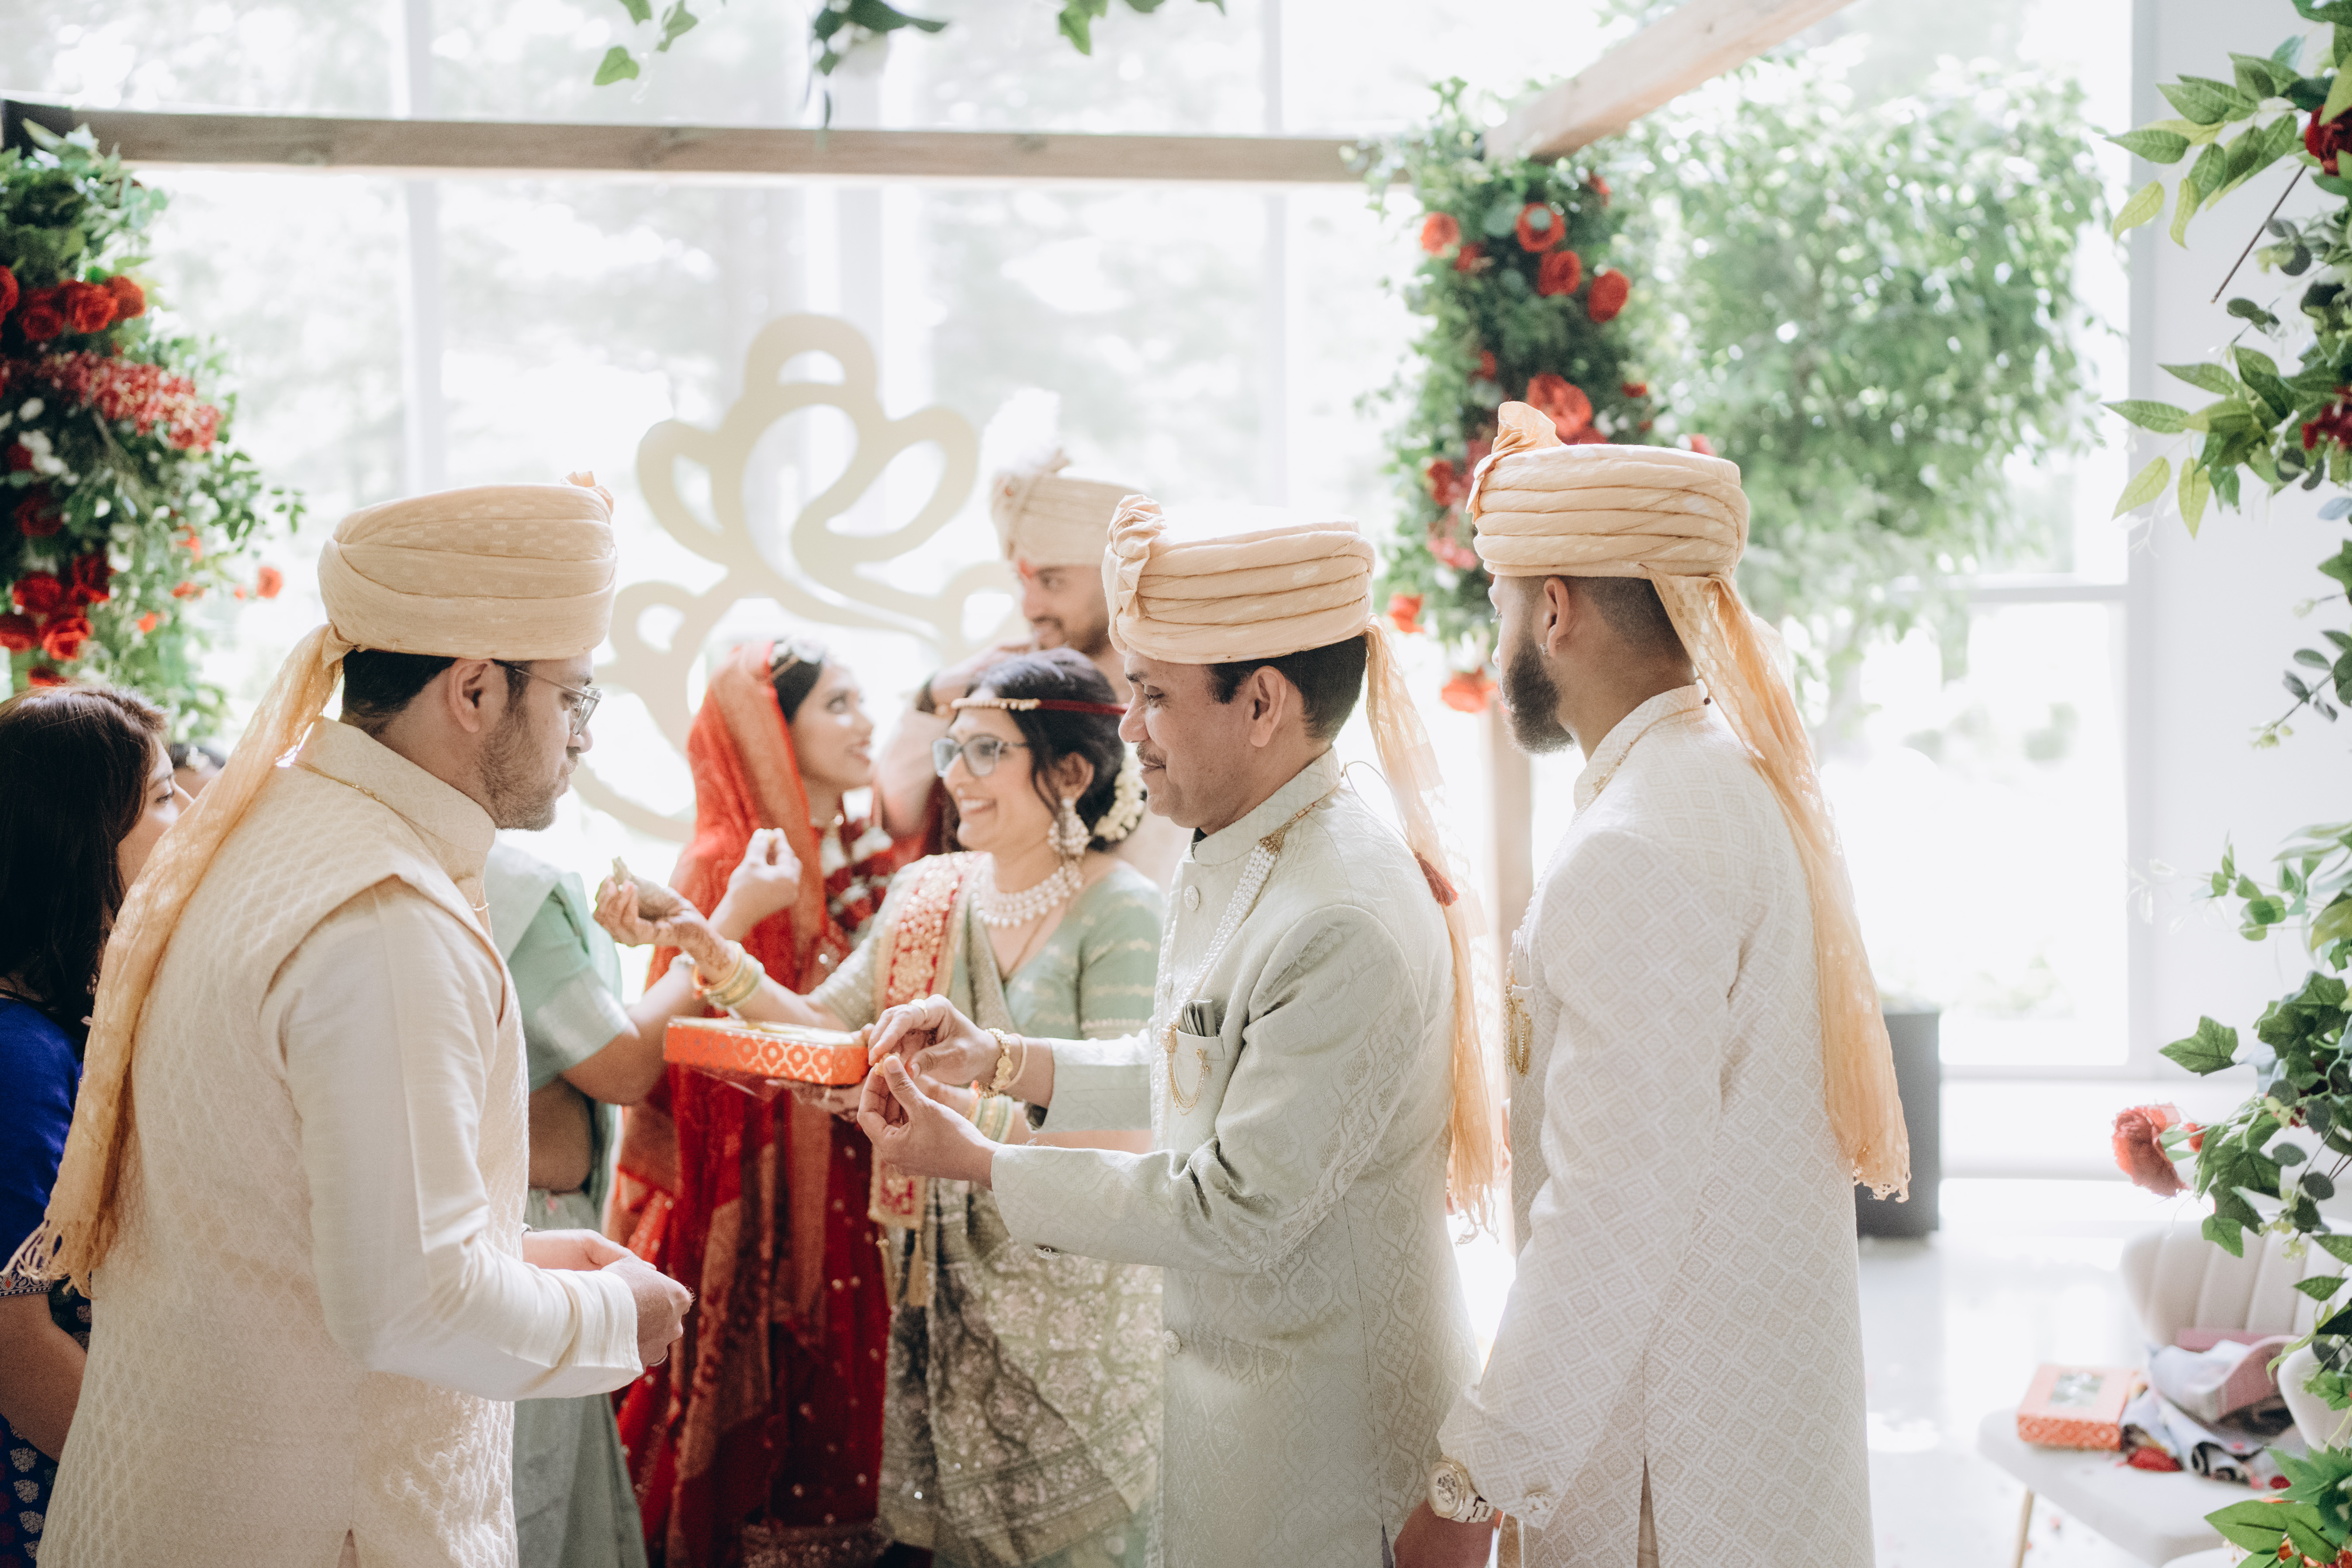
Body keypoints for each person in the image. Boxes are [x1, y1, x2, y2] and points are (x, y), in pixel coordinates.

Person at [14, 478, 693, 1568]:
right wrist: (617, 1320)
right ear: (474, 688)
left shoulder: (280, 833)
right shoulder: (382, 916)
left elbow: (285, 1221)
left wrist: (517, 1258)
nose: (583, 737)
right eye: (575, 698)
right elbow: (407, 1307)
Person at [854, 498, 1505, 1567]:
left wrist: (977, 1159)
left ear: (1262, 703)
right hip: (1237, 1422)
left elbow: (1232, 1209)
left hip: (1326, 1453)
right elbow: (1189, 1066)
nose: (1130, 728)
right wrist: (1002, 1059)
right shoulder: (1246, 844)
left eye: (1154, 694)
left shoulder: (1340, 911)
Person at [1391, 405, 1904, 1568]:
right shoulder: (1732, 774)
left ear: (1554, 609)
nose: (1497, 642)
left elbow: (1609, 1209)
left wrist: (1471, 1486)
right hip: (1759, 1429)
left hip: (1674, 1479)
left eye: (1500, 607)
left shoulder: (1633, 841)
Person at [600, 647, 1165, 1568]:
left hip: (1074, 1302)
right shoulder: (928, 890)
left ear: (1069, 773)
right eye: (952, 748)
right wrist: (705, 943)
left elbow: (1121, 1129)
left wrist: (953, 1118)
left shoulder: (1125, 912)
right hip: (940, 1291)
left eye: (987, 751)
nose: (957, 775)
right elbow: (829, 1029)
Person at [597, 637, 910, 1568]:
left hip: (852, 1169)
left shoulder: (862, 855)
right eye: (837, 705)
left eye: (862, 700)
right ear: (772, 728)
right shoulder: (723, 863)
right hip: (748, 1185)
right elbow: (674, 1055)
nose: (864, 723)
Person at [484, 828, 800, 1568]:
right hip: (527, 1235)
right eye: (567, 705)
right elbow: (622, 1060)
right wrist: (725, 917)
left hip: (501, 1226)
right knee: (523, 1502)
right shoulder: (505, 883)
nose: (573, 760)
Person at [0, 685, 187, 1568]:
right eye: (162, 798)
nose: (191, 814)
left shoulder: (55, 1023)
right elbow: (17, 1346)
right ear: (79, 839)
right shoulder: (21, 1056)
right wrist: (178, 1492)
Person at [874, 403, 1183, 885]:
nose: (1030, 607)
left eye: (1052, 581)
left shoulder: (1185, 694)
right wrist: (932, 695)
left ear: (1117, 579)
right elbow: (900, 816)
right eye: (1023, 583)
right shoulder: (1010, 694)